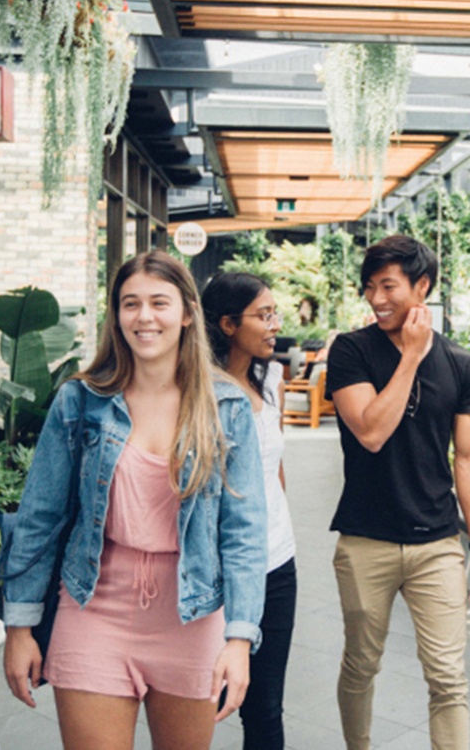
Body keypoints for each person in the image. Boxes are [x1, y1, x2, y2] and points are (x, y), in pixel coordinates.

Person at [0, 251, 267, 750]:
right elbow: (40, 516)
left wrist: (239, 638)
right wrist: (20, 626)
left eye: (159, 303)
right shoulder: (80, 401)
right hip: (93, 606)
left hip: (191, 617)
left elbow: (245, 532)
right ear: (116, 315)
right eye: (130, 304)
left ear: (187, 312)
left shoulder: (225, 407)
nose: (144, 317)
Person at [325, 234, 470, 750]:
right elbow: (371, 432)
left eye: (389, 286)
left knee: (448, 676)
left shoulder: (461, 364)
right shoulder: (351, 350)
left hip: (438, 545)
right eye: (370, 287)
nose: (377, 299)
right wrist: (412, 357)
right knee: (361, 665)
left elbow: (467, 456)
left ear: (421, 286)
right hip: (365, 541)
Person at [201, 272, 297, 750]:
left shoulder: (271, 379)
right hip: (215, 572)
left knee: (264, 709)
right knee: (202, 700)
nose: (275, 323)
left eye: (275, 312)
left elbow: (274, 469)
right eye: (264, 314)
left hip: (277, 564)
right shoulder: (197, 393)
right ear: (227, 324)